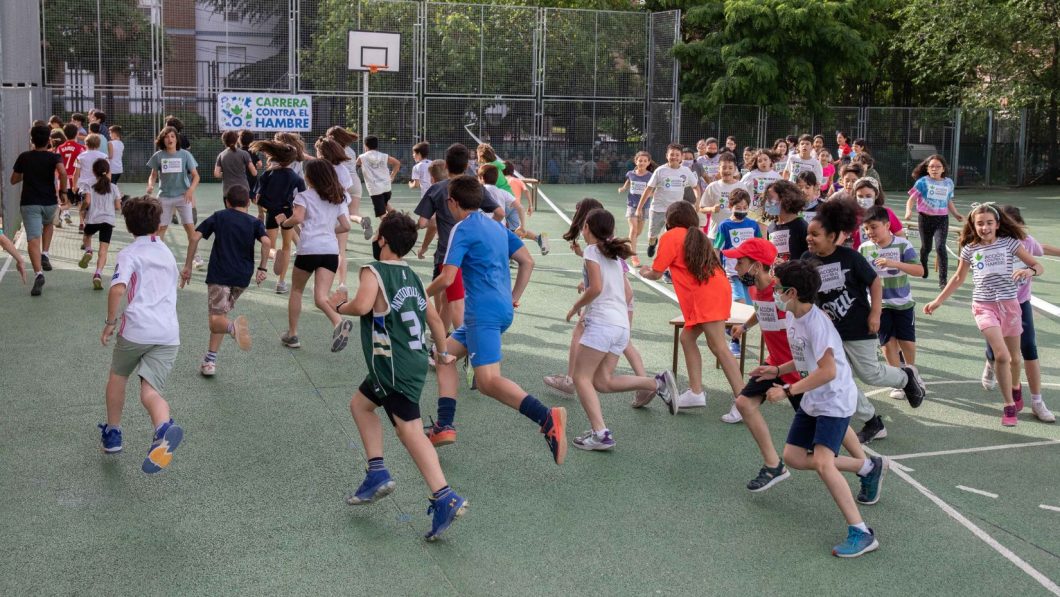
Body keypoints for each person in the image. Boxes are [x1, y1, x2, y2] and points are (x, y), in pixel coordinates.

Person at [328, 212, 467, 541]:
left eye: (378, 235)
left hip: (391, 366)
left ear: (384, 241)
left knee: (411, 432)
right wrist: (443, 350)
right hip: (412, 362)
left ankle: (444, 495)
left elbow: (362, 305)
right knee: (360, 405)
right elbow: (434, 319)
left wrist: (340, 305)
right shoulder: (414, 276)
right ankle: (376, 470)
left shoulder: (372, 271)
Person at [423, 176, 568, 465]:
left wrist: (420, 294)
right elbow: (528, 261)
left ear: (452, 202)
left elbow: (448, 277)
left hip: (482, 314)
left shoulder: (460, 228)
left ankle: (546, 417)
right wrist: (512, 296)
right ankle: (445, 424)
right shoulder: (498, 226)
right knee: (444, 356)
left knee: (488, 382)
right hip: (500, 310)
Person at [755, 259, 886, 558]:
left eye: (778, 288)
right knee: (794, 457)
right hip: (815, 397)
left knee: (825, 464)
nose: (773, 291)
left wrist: (788, 389)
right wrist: (775, 371)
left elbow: (827, 371)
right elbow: (805, 361)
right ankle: (867, 466)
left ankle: (861, 533)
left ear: (792, 292)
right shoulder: (793, 316)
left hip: (835, 400)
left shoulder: (817, 324)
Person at [726, 239, 870, 493]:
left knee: (833, 419)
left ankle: (866, 465)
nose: (735, 266)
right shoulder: (756, 292)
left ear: (757, 266)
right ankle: (773, 465)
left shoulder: (784, 291)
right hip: (777, 365)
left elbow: (809, 321)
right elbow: (762, 311)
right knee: (744, 402)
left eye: (740, 261)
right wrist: (746, 326)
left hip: (800, 371)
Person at [804, 200, 927, 444]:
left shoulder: (850, 257)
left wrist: (875, 313)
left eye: (815, 234)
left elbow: (875, 282)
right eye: (808, 233)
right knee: (840, 379)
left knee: (870, 374)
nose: (809, 238)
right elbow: (808, 291)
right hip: (830, 333)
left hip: (858, 327)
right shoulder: (808, 259)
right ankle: (873, 422)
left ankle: (906, 378)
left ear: (832, 236)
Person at [565, 207, 678, 450]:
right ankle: (655, 384)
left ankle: (600, 433)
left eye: (584, 226)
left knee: (580, 377)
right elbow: (627, 293)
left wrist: (576, 307)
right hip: (620, 326)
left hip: (602, 324)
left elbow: (594, 288)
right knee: (602, 382)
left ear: (587, 229)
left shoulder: (592, 251)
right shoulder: (614, 256)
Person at [924, 203, 1044, 426]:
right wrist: (937, 301)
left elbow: (1037, 265)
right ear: (973, 225)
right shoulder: (970, 249)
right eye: (980, 223)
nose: (985, 227)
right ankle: (1008, 405)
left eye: (989, 223)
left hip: (1010, 305)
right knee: (1001, 355)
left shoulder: (1010, 243)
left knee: (1015, 358)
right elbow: (958, 278)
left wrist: (1029, 270)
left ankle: (1016, 387)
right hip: (983, 306)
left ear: (997, 225)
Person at [98, 196, 184, 474]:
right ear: (159, 224)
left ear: (128, 224)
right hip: (168, 333)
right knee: (150, 390)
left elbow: (117, 288)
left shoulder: (129, 253)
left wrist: (111, 321)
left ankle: (113, 434)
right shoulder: (167, 253)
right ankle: (162, 428)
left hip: (136, 329)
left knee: (118, 376)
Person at [640, 201, 743, 412]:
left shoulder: (671, 236)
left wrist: (643, 272)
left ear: (670, 220)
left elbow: (657, 272)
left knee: (719, 347)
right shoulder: (699, 236)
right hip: (715, 291)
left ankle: (743, 401)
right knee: (687, 338)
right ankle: (696, 392)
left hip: (706, 296)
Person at [545, 198, 651, 402]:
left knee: (607, 343)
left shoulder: (600, 250)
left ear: (588, 224)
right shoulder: (604, 248)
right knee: (609, 365)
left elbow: (619, 288)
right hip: (615, 305)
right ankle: (645, 384)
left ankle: (571, 379)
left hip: (614, 307)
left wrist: (583, 304)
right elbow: (602, 274)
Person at [180, 186, 269, 377]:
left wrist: (188, 266)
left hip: (220, 275)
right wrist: (262, 268)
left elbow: (195, 237)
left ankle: (232, 328)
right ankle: (210, 360)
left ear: (227, 202)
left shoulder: (219, 216)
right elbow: (267, 242)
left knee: (216, 322)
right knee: (220, 315)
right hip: (242, 277)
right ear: (247, 203)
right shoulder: (254, 222)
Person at [414, 143, 504, 333]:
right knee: (450, 300)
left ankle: (463, 341)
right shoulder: (474, 187)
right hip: (474, 252)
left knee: (454, 300)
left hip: (448, 253)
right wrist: (488, 229)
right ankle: (442, 342)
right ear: (466, 166)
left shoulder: (437, 189)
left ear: (446, 165)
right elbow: (499, 212)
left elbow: (423, 223)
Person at [980, 206, 1055, 422]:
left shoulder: (1025, 242)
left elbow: (1042, 252)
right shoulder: (989, 244)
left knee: (1028, 349)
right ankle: (990, 362)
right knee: (997, 350)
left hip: (1020, 304)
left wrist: (1030, 270)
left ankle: (1037, 402)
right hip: (994, 305)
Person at [274, 159, 352, 352]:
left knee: (297, 291)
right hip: (330, 251)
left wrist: (284, 223)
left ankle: (292, 334)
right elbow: (346, 226)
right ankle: (337, 321)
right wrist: (328, 231)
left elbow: (298, 218)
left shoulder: (304, 196)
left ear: (309, 177)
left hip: (309, 248)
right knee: (320, 297)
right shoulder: (338, 197)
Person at [858, 206, 924, 399]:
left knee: (907, 343)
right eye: (866, 229)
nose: (870, 232)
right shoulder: (864, 248)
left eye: (873, 227)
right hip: (879, 305)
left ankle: (912, 374)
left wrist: (894, 263)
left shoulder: (903, 245)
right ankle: (898, 380)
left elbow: (919, 270)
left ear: (887, 225)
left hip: (903, 303)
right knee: (887, 344)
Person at [11, 124, 67, 296]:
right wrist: (63, 192)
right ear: (49, 140)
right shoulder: (54, 157)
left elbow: (14, 180)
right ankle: (45, 253)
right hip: (50, 201)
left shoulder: (24, 157)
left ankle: (38, 274)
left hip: (30, 203)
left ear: (32, 140)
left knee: (32, 239)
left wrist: (25, 172)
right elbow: (63, 173)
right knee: (48, 224)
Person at [713, 188, 762, 372]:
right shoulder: (725, 226)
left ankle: (733, 331)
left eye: (745, 207)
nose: (742, 209)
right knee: (739, 303)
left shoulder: (753, 225)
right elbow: (717, 248)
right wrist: (717, 268)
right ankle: (734, 341)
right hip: (732, 273)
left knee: (749, 311)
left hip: (751, 274)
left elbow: (759, 246)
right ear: (731, 206)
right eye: (738, 207)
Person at [251, 139, 305, 295]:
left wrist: (268, 210)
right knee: (287, 247)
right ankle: (281, 283)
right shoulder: (296, 178)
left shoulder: (268, 174)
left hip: (272, 214)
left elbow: (258, 199)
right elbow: (303, 199)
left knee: (269, 246)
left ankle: (274, 257)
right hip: (287, 214)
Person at [904, 154, 963, 289]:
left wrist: (956, 214)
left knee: (940, 247)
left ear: (943, 169)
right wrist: (909, 211)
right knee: (926, 248)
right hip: (924, 219)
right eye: (931, 167)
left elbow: (948, 200)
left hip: (941, 219)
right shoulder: (922, 182)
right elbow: (911, 199)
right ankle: (924, 268)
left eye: (938, 167)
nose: (934, 169)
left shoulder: (948, 183)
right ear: (927, 168)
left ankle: (943, 280)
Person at [146, 126, 202, 268]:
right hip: (164, 196)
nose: (169, 139)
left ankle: (196, 257)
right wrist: (151, 185)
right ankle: (158, 257)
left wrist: (190, 190)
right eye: (166, 136)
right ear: (162, 140)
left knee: (189, 227)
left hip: (183, 196)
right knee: (161, 228)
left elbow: (196, 176)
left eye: (172, 136)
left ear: (176, 139)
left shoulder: (185, 155)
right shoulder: (158, 155)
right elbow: (153, 175)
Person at [636, 143, 699, 259]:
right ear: (667, 155)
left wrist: (697, 203)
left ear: (681, 157)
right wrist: (639, 208)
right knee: (652, 236)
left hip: (675, 211)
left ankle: (668, 257)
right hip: (658, 209)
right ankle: (652, 244)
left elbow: (696, 187)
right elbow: (648, 189)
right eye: (672, 154)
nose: (674, 157)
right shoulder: (660, 171)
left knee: (672, 237)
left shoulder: (686, 171)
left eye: (677, 155)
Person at [314, 136, 358, 293]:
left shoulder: (319, 168)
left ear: (322, 152)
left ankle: (321, 287)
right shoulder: (343, 169)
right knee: (341, 251)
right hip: (341, 212)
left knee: (321, 250)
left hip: (324, 213)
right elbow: (345, 190)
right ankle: (342, 284)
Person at [478, 164, 549, 255]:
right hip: (508, 212)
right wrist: (524, 221)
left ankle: (514, 252)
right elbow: (522, 201)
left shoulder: (479, 191)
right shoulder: (506, 189)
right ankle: (537, 239)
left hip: (489, 227)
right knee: (515, 231)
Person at [77, 158, 123, 289]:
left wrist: (82, 209)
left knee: (86, 237)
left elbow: (87, 201)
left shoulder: (88, 184)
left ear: (93, 171)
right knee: (103, 250)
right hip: (108, 221)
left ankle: (89, 250)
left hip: (93, 219)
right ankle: (98, 274)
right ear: (108, 172)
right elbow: (118, 206)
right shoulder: (113, 187)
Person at [326, 126, 372, 239]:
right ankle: (361, 219)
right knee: (352, 213)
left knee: (339, 214)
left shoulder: (333, 148)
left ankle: (340, 244)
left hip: (341, 181)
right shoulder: (350, 150)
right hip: (355, 182)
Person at [617, 150, 653, 266]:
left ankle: (625, 244)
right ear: (636, 161)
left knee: (638, 232)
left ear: (648, 163)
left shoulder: (650, 176)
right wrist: (623, 188)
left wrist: (651, 194)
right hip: (632, 205)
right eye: (640, 160)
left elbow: (652, 189)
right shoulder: (631, 173)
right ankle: (634, 256)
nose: (642, 163)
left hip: (644, 207)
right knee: (633, 229)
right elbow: (628, 182)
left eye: (644, 161)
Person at [849, 176, 904, 250]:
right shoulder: (851, 215)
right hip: (859, 255)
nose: (864, 199)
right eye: (860, 196)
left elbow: (900, 234)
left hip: (884, 255)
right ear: (855, 196)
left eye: (868, 196)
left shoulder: (886, 212)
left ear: (876, 195)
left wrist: (899, 251)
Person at [701, 153, 748, 239]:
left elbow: (747, 209)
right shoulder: (712, 186)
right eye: (724, 167)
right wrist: (711, 209)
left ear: (735, 170)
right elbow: (701, 208)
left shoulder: (741, 187)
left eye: (730, 168)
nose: (727, 171)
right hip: (716, 234)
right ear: (719, 169)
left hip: (736, 234)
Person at [765, 180, 808, 263]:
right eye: (767, 198)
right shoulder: (771, 228)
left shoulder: (801, 226)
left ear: (785, 199)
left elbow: (809, 259)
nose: (767, 202)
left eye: (771, 198)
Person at [357, 135, 401, 218]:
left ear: (365, 145)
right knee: (386, 205)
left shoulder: (362, 157)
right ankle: (400, 219)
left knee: (382, 214)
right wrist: (392, 176)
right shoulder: (384, 156)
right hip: (387, 187)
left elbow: (355, 167)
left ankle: (391, 228)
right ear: (377, 145)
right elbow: (397, 163)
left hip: (375, 189)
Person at [214, 130, 256, 198]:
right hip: (243, 189)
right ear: (237, 140)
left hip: (228, 190)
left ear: (224, 141)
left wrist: (227, 173)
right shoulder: (244, 154)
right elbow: (254, 173)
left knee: (229, 209)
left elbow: (216, 174)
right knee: (242, 208)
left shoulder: (221, 155)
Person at [56, 123, 83, 226]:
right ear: (77, 134)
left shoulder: (60, 148)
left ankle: (59, 215)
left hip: (62, 178)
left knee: (65, 202)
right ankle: (82, 224)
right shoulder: (80, 148)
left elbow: (57, 162)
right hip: (75, 178)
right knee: (80, 201)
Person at [741, 149, 781, 219]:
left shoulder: (777, 177)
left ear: (770, 161)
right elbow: (739, 189)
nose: (763, 162)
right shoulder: (750, 175)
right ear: (756, 163)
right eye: (760, 161)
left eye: (765, 159)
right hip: (753, 212)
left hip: (771, 212)